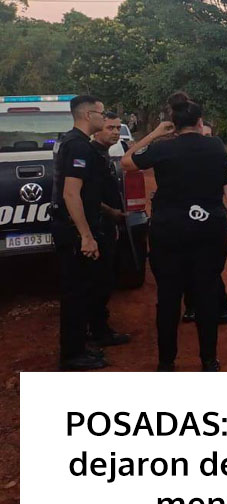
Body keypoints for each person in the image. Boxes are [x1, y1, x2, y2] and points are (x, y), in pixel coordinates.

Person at [121, 93, 227, 372]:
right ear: (200, 122)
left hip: (169, 231)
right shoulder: (216, 146)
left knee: (168, 298)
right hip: (209, 228)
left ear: (173, 124)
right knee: (206, 295)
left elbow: (126, 162)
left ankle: (166, 363)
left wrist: (155, 133)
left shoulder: (163, 148)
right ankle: (209, 361)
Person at [51, 95, 109, 370]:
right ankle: (72, 356)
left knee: (82, 289)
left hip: (71, 227)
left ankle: (79, 347)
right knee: (75, 293)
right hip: (73, 231)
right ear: (88, 115)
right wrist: (85, 235)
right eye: (101, 113)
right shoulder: (78, 146)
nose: (104, 117)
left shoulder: (71, 141)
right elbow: (71, 193)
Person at [183, 118, 227, 326]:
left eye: (209, 137)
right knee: (187, 265)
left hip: (213, 219)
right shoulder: (181, 161)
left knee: (211, 269)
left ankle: (221, 308)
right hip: (186, 220)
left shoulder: (219, 160)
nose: (205, 141)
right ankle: (192, 307)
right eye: (202, 136)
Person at [89, 112, 131, 347]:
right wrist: (111, 212)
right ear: (97, 129)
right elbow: (86, 195)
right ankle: (98, 331)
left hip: (107, 226)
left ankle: (98, 327)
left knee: (106, 279)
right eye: (110, 128)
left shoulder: (104, 154)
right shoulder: (92, 155)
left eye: (117, 128)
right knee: (99, 281)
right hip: (97, 226)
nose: (115, 132)